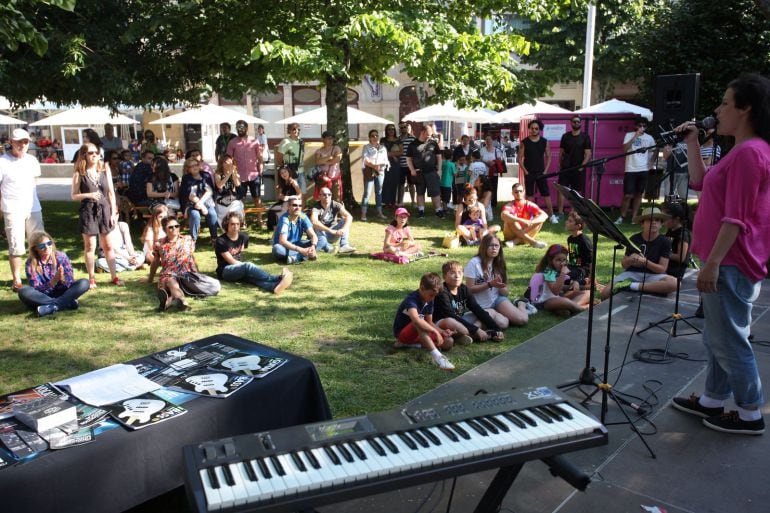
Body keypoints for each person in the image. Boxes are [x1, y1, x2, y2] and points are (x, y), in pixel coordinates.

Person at [671, 74, 770, 435]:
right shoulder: (740, 150)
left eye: (725, 103)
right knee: (718, 335)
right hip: (723, 260)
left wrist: (711, 264)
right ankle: (713, 398)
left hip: (730, 262)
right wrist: (694, 142)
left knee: (729, 339)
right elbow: (699, 181)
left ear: (745, 109)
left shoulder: (750, 153)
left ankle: (749, 413)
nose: (717, 110)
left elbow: (737, 217)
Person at [71, 143, 124, 289]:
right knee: (90, 246)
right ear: (84, 155)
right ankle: (92, 278)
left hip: (105, 208)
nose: (94, 155)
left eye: (96, 152)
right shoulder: (79, 173)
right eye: (90, 153)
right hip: (88, 210)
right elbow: (74, 195)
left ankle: (114, 276)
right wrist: (89, 195)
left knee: (107, 245)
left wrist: (113, 212)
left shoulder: (104, 168)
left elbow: (111, 193)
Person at [0, 128, 45, 292]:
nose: (22, 145)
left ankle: (39, 275)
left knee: (39, 243)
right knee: (16, 246)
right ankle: (17, 280)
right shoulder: (3, 162)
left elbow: (34, 182)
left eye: (25, 142)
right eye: (19, 141)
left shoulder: (32, 161)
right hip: (12, 208)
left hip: (33, 208)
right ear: (11, 142)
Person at [601, 207, 678, 300]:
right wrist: (630, 260)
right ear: (642, 223)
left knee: (674, 283)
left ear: (661, 224)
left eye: (657, 220)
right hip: (632, 273)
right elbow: (624, 265)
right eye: (649, 220)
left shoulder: (665, 241)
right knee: (605, 293)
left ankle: (633, 286)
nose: (653, 222)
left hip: (655, 276)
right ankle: (643, 287)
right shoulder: (634, 239)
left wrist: (645, 262)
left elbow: (662, 269)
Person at [215, 211, 293, 295]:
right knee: (248, 266)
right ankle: (278, 278)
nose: (235, 226)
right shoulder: (221, 241)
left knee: (252, 279)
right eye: (232, 224)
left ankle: (274, 286)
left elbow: (241, 253)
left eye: (238, 224)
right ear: (227, 225)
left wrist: (244, 269)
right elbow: (231, 261)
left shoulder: (243, 237)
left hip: (238, 269)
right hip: (225, 271)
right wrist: (244, 267)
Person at [392, 272, 456, 371]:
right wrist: (434, 332)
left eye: (435, 296)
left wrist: (442, 332)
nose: (433, 298)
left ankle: (411, 345)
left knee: (448, 342)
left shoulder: (430, 300)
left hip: (420, 334)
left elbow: (429, 322)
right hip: (404, 333)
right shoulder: (411, 299)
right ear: (422, 288)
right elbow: (416, 320)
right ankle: (438, 358)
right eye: (431, 295)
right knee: (419, 322)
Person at [17, 231, 90, 317]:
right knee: (23, 290)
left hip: (64, 293)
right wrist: (52, 282)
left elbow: (70, 283)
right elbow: (35, 288)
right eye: (42, 246)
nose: (47, 247)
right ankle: (66, 303)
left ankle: (52, 306)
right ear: (35, 248)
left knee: (84, 282)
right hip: (42, 296)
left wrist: (63, 279)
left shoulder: (61, 256)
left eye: (49, 243)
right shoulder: (31, 263)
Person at [464, 233, 529, 328]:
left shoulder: (499, 264)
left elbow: (506, 293)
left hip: (497, 300)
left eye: (496, 245)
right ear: (484, 247)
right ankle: (498, 315)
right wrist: (489, 284)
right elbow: (469, 290)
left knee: (522, 320)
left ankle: (520, 303)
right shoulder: (474, 263)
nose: (494, 248)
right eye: (490, 245)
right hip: (481, 305)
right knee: (503, 324)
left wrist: (500, 287)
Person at [433, 260, 504, 343]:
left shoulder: (464, 289)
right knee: (451, 321)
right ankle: (477, 334)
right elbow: (450, 315)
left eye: (460, 272)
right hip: (443, 323)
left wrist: (497, 329)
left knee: (489, 312)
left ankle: (464, 335)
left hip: (459, 320)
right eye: (452, 273)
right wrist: (476, 329)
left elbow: (476, 308)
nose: (457, 276)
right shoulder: (442, 292)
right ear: (444, 276)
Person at [142, 216, 196, 312]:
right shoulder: (159, 243)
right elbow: (155, 262)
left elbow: (191, 258)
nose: (174, 229)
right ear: (164, 229)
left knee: (170, 285)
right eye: (171, 227)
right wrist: (150, 279)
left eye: (176, 226)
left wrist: (197, 273)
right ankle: (183, 302)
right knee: (171, 282)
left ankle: (167, 302)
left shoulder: (188, 239)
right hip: (169, 274)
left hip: (185, 274)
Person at [529, 244, 590, 315]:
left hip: (556, 298)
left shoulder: (556, 270)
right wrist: (563, 274)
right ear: (551, 260)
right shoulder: (549, 272)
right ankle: (582, 308)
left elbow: (560, 287)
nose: (562, 263)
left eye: (564, 260)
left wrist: (573, 283)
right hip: (544, 301)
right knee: (565, 301)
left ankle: (570, 308)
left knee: (587, 293)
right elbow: (555, 291)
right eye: (558, 260)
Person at [616, 118, 656, 224]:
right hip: (630, 169)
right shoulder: (629, 135)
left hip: (643, 169)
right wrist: (635, 136)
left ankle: (634, 217)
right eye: (640, 125)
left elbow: (655, 150)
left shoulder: (649, 138)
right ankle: (622, 216)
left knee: (639, 194)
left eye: (644, 126)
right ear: (636, 126)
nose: (642, 127)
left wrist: (651, 162)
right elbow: (625, 149)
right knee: (628, 195)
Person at [519, 119, 555, 222]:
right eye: (532, 128)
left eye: (536, 129)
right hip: (529, 172)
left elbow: (549, 156)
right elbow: (519, 158)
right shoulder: (524, 142)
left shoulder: (544, 141)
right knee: (529, 195)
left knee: (546, 194)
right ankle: (528, 216)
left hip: (541, 172)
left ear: (539, 130)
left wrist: (545, 171)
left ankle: (552, 216)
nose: (534, 130)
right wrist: (526, 171)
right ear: (529, 129)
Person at [406, 124, 445, 219]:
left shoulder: (433, 143)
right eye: (428, 135)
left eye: (431, 135)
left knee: (435, 193)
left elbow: (439, 157)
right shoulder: (413, 144)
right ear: (422, 132)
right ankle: (421, 211)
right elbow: (408, 159)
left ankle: (438, 211)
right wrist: (412, 170)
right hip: (419, 172)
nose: (429, 137)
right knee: (420, 192)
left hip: (432, 172)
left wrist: (439, 170)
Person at [557, 115, 592, 218]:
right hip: (565, 168)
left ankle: (573, 212)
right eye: (574, 122)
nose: (576, 123)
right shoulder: (565, 136)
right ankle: (560, 213)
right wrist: (561, 166)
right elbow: (561, 153)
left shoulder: (585, 137)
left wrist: (582, 166)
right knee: (562, 190)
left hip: (578, 169)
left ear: (580, 123)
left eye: (578, 122)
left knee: (576, 192)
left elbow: (588, 154)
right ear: (571, 123)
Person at [179, 157, 218, 242]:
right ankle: (194, 240)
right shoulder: (186, 178)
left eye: (196, 165)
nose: (194, 167)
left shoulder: (206, 175)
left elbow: (209, 191)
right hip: (191, 203)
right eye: (191, 166)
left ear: (199, 165)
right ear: (188, 169)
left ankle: (214, 238)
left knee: (212, 214)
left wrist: (201, 204)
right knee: (195, 215)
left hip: (205, 201)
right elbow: (190, 195)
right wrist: (202, 206)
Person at [226, 120, 264, 207]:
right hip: (239, 176)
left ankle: (260, 219)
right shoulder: (232, 142)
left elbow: (260, 157)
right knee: (241, 199)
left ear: (246, 128)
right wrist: (232, 172)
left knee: (257, 197)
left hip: (254, 174)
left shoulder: (254, 141)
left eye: (241, 127)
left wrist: (261, 168)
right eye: (238, 128)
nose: (239, 130)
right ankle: (242, 219)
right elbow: (228, 159)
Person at [500, 182, 548, 248]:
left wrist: (531, 222)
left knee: (539, 219)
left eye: (520, 191)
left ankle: (515, 241)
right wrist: (522, 221)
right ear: (512, 193)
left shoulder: (529, 204)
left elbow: (545, 215)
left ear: (524, 192)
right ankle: (533, 242)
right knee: (511, 219)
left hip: (525, 233)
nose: (518, 193)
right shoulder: (510, 205)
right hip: (511, 235)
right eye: (516, 192)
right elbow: (503, 215)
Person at [272, 197, 318, 264]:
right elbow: (282, 241)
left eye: (300, 205)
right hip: (284, 246)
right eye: (294, 205)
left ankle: (297, 257)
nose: (298, 207)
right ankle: (302, 256)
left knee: (317, 240)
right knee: (277, 249)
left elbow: (313, 235)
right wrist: (301, 250)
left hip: (296, 244)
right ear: (288, 206)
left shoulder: (302, 216)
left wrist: (313, 246)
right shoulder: (285, 219)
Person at [310, 187, 356, 254]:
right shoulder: (316, 207)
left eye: (329, 194)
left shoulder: (335, 204)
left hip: (335, 233)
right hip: (322, 235)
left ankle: (344, 245)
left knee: (344, 220)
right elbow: (314, 221)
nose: (327, 196)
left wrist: (343, 229)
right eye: (324, 194)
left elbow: (349, 216)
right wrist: (330, 230)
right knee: (316, 225)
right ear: (319, 196)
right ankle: (328, 247)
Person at [361, 129, 389, 221]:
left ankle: (380, 213)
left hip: (380, 171)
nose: (375, 137)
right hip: (369, 171)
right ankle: (363, 214)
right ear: (369, 138)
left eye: (376, 135)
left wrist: (379, 166)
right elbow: (365, 160)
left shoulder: (383, 148)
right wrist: (374, 166)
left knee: (379, 192)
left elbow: (385, 160)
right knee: (367, 193)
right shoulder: (366, 147)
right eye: (372, 136)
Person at [213, 154, 245, 228]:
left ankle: (237, 225)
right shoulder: (218, 174)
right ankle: (226, 227)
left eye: (230, 162)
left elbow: (237, 185)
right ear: (222, 164)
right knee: (226, 212)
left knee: (238, 205)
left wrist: (233, 173)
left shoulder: (234, 173)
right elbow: (219, 186)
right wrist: (228, 174)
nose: (228, 164)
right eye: (226, 162)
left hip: (231, 198)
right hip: (221, 198)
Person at [267, 164, 302, 232]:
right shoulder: (282, 183)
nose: (284, 174)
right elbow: (279, 195)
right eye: (282, 173)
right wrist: (281, 196)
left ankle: (282, 229)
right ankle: (275, 231)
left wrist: (289, 197)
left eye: (285, 172)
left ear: (289, 172)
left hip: (291, 203)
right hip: (283, 202)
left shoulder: (293, 182)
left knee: (279, 212)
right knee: (271, 210)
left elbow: (300, 194)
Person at [662, 202, 691, 279]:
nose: (663, 220)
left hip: (675, 270)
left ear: (677, 219)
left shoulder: (682, 234)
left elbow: (680, 257)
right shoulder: (670, 231)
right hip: (666, 265)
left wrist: (661, 253)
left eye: (666, 218)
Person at [275, 123, 306, 193]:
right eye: (294, 129)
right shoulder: (285, 142)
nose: (297, 131)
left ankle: (303, 204)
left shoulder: (301, 141)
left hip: (301, 171)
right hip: (290, 172)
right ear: (289, 130)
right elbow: (279, 159)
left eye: (298, 129)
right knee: (291, 193)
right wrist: (285, 170)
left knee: (303, 193)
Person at [565, 211, 593, 287]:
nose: (566, 222)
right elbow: (572, 258)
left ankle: (583, 281)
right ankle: (572, 281)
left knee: (566, 278)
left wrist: (592, 277)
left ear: (578, 226)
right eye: (568, 220)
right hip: (573, 268)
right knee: (556, 274)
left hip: (582, 270)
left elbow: (591, 261)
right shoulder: (570, 239)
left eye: (570, 221)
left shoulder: (584, 240)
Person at [313, 130, 342, 201]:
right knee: (322, 199)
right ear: (323, 139)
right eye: (328, 138)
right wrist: (329, 157)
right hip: (323, 179)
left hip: (334, 178)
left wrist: (324, 161)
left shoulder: (336, 148)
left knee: (336, 199)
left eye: (332, 138)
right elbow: (317, 162)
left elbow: (337, 159)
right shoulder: (319, 151)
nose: (331, 140)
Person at [478, 135, 504, 208]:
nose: (488, 141)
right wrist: (486, 162)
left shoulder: (497, 150)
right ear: (485, 141)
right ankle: (485, 201)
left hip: (494, 173)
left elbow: (500, 160)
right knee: (484, 188)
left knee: (494, 188)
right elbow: (480, 159)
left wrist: (494, 162)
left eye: (489, 140)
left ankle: (493, 203)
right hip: (484, 172)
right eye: (486, 140)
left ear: (492, 141)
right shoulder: (482, 150)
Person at [380, 124, 402, 207]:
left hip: (396, 164)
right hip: (385, 163)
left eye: (393, 129)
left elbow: (401, 151)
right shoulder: (383, 140)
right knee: (386, 182)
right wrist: (392, 155)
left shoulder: (398, 140)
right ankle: (385, 202)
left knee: (394, 182)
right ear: (386, 130)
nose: (391, 131)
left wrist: (390, 154)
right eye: (389, 129)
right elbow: (381, 151)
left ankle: (393, 202)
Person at [397, 122, 417, 207]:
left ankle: (413, 201)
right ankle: (401, 201)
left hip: (410, 165)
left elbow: (416, 151)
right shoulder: (398, 139)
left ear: (407, 127)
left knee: (411, 184)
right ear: (399, 129)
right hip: (400, 165)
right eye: (401, 128)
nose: (403, 129)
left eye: (404, 127)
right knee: (401, 184)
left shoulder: (413, 138)